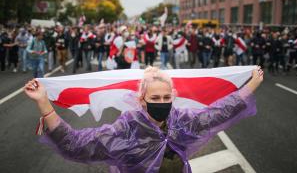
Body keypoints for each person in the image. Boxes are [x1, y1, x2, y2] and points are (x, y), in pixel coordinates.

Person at [24, 66, 263, 173]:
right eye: (155, 97)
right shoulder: (125, 129)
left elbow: (219, 112)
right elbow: (75, 144)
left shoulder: (181, 121)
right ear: (141, 100)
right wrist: (44, 103)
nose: (161, 102)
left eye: (166, 97)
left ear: (173, 97)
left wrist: (251, 84)